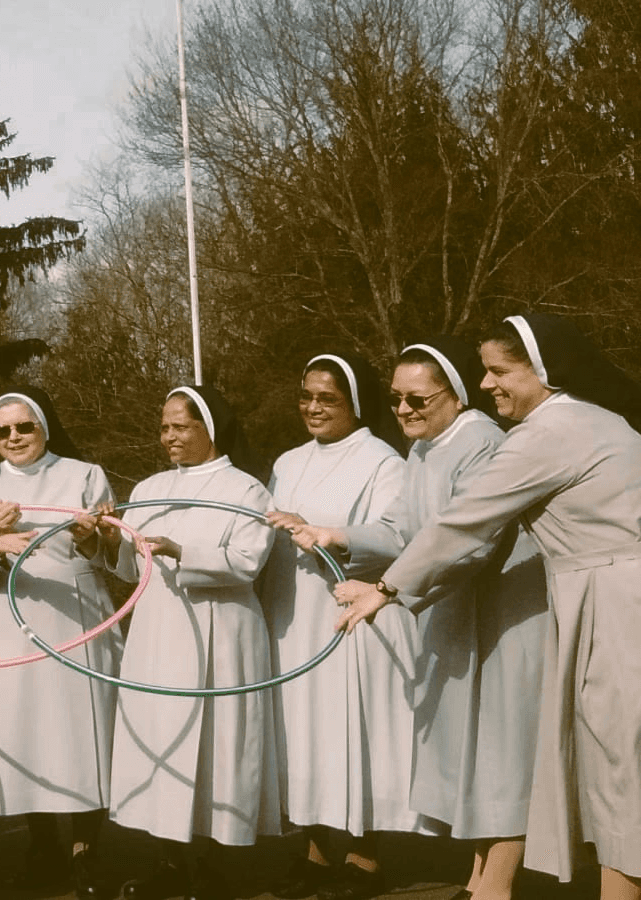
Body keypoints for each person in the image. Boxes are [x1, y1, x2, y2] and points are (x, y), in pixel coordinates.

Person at [335, 314, 641, 900]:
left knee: (620, 766)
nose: (488, 383)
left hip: (616, 600)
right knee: (615, 765)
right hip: (600, 592)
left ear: (543, 372)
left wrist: (387, 590)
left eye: (501, 371)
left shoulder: (548, 433)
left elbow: (466, 521)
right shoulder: (587, 420)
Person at [290, 338, 548, 900]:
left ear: (453, 396)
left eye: (418, 400)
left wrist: (387, 591)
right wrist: (338, 534)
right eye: (396, 399)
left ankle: (496, 885)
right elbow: (404, 533)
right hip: (456, 613)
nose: (404, 410)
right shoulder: (424, 448)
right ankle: (479, 876)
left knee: (502, 751)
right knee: (471, 750)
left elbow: (472, 544)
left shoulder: (482, 442)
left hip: (502, 615)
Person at [105, 386, 279, 900]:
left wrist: (184, 550)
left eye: (180, 426)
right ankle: (170, 860)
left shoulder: (247, 490)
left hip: (220, 630)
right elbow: (128, 566)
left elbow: (249, 560)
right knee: (166, 739)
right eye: (164, 428)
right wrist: (95, 539)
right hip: (159, 632)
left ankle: (216, 868)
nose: (169, 437)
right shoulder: (148, 487)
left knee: (218, 746)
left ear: (210, 428)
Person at [262, 352, 420, 900]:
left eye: (326, 398)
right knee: (300, 735)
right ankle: (314, 852)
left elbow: (398, 536)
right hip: (289, 614)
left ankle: (364, 857)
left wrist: (332, 533)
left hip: (347, 613)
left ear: (354, 401)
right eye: (306, 395)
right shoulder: (285, 461)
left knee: (350, 732)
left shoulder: (384, 461)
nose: (312, 406)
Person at [0, 386, 120, 900]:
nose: (13, 437)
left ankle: (86, 850)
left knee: (81, 731)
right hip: (8, 619)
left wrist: (88, 538)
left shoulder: (83, 474)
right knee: (27, 731)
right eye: (2, 431)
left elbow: (113, 554)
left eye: (23, 426)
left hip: (76, 615)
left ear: (44, 427)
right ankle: (43, 847)